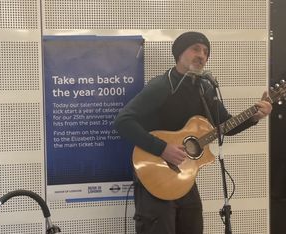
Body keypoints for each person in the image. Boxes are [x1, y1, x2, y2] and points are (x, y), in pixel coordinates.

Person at [115, 31, 272, 234]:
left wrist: (254, 116)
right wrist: (162, 148)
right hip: (155, 174)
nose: (202, 55)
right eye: (195, 49)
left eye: (206, 52)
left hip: (184, 177)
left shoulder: (205, 89)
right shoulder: (161, 86)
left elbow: (224, 125)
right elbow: (123, 121)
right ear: (179, 54)